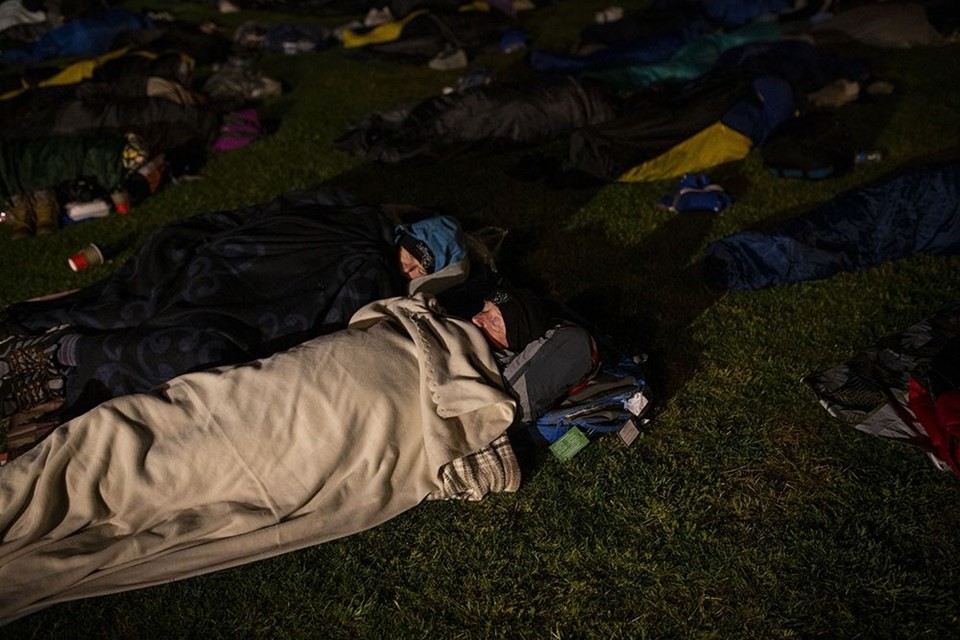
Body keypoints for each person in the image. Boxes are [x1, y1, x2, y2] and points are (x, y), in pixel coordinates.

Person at [0, 188, 469, 440]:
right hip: (227, 269)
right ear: (403, 234)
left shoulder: (377, 272)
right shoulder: (360, 233)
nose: (407, 266)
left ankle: (61, 367)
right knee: (171, 329)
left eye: (420, 269)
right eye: (412, 252)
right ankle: (58, 359)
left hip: (237, 298)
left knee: (189, 343)